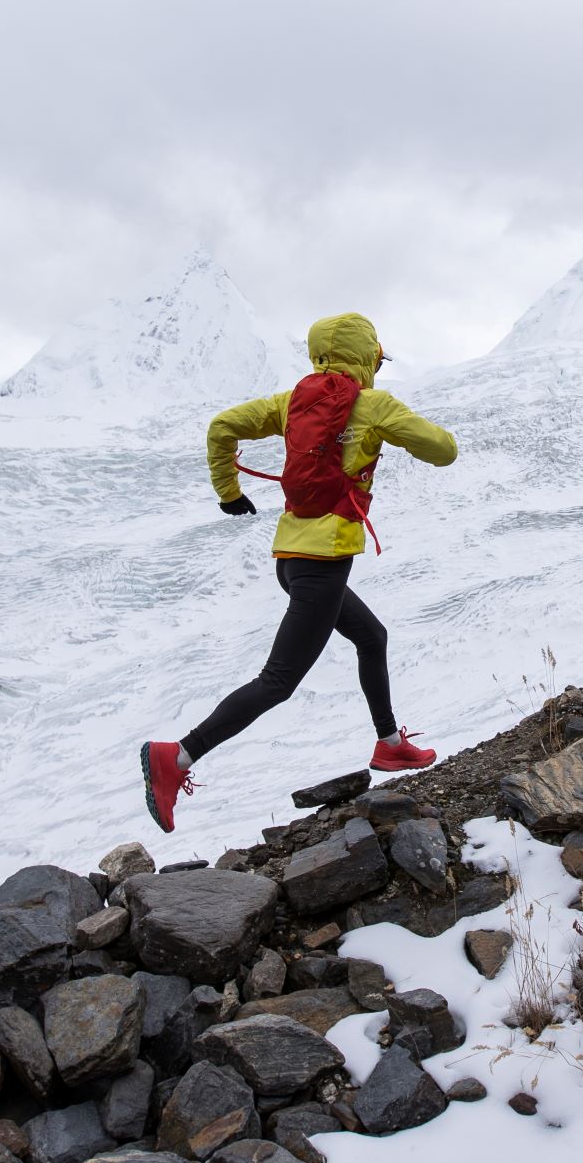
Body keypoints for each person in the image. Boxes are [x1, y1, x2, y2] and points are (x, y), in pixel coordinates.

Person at [140, 312, 459, 832]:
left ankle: (390, 744)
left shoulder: (290, 403)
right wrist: (393, 427)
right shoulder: (373, 404)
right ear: (367, 356)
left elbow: (221, 426)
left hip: (291, 560)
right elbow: (444, 451)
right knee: (278, 681)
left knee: (371, 636)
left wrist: (229, 493)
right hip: (323, 566)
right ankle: (175, 757)